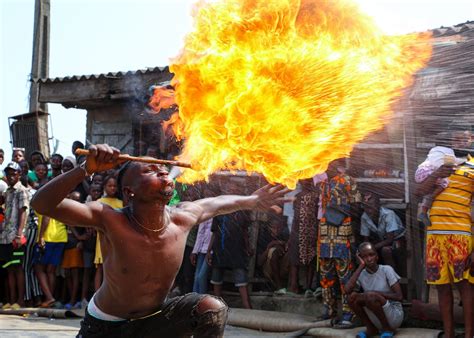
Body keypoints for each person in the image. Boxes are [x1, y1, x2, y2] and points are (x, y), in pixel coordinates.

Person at [31, 144, 290, 337]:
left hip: (155, 321)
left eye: (164, 170)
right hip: (105, 327)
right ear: (129, 191)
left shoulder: (182, 217)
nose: (164, 173)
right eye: (150, 170)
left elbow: (218, 203)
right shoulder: (109, 218)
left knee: (210, 307)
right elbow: (41, 204)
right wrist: (85, 169)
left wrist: (251, 201)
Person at [416, 127, 474, 338]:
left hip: (461, 235)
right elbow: (418, 191)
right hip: (434, 236)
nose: (459, 140)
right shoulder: (437, 161)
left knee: (465, 285)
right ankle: (448, 334)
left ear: (472, 139)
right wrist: (437, 174)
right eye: (456, 137)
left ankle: (469, 334)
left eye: (464, 136)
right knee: (441, 286)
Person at [318, 159, 360, 328]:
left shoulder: (348, 180)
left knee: (345, 275)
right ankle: (329, 311)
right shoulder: (324, 183)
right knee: (326, 275)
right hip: (325, 234)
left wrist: (343, 216)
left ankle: (349, 313)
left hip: (343, 233)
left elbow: (357, 207)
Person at [345, 242, 404, 338]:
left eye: (371, 255)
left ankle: (387, 329)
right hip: (375, 318)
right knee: (351, 298)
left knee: (370, 296)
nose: (369, 259)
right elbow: (347, 291)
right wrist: (361, 266)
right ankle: (371, 329)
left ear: (377, 256)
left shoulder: (386, 270)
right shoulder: (361, 274)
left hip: (393, 316)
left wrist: (375, 294)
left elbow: (399, 296)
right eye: (364, 257)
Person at [207, 210, 253, 309]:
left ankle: (247, 307)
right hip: (220, 248)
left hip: (237, 249)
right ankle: (217, 307)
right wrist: (209, 250)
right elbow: (214, 233)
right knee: (216, 279)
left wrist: (248, 246)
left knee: (241, 279)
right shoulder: (219, 211)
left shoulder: (242, 212)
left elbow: (245, 232)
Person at [0, 162, 29, 309]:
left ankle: (20, 300)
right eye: (8, 173)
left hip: (16, 236)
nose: (11, 176)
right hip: (5, 235)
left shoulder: (21, 191)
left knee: (17, 268)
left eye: (13, 173)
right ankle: (11, 301)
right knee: (9, 268)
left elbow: (23, 212)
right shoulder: (7, 192)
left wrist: (19, 234)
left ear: (19, 174)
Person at [285, 178, 318, 297]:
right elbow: (295, 217)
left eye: (308, 180)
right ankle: (294, 286)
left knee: (311, 260)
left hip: (311, 232)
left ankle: (308, 288)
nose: (306, 183)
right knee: (294, 260)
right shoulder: (297, 197)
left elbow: (317, 216)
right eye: (304, 181)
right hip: (297, 232)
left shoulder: (316, 196)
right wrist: (291, 236)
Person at [360, 193, 405, 270]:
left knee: (385, 250)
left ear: (378, 205)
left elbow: (390, 239)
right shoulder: (364, 217)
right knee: (365, 253)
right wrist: (365, 249)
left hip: (399, 239)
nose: (368, 210)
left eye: (371, 206)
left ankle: (392, 276)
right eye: (366, 206)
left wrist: (372, 247)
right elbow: (366, 240)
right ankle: (374, 276)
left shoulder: (388, 214)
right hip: (383, 240)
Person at [34, 210, 67, 307]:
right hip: (60, 237)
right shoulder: (61, 201)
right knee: (50, 271)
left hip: (48, 237)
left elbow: (46, 217)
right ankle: (49, 300)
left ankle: (49, 297)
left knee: (38, 268)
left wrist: (41, 236)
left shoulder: (46, 200)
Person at [95, 176, 123, 290]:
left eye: (114, 186)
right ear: (104, 187)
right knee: (100, 268)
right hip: (102, 237)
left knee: (114, 267)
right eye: (109, 186)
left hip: (117, 239)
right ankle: (96, 296)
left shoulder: (121, 203)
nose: (112, 188)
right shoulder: (99, 202)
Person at [62, 191, 85, 310]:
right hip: (66, 245)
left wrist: (80, 238)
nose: (75, 201)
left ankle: (73, 300)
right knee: (67, 274)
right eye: (73, 199)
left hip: (75, 245)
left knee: (75, 274)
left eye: (77, 199)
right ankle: (71, 298)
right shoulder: (66, 211)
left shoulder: (81, 213)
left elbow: (84, 230)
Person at [257, 216, 290, 292]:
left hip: (282, 268)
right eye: (274, 227)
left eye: (279, 228)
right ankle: (279, 286)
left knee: (290, 253)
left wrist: (282, 245)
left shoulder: (283, 236)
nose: (277, 230)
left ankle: (291, 285)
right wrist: (270, 246)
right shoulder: (263, 237)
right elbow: (259, 262)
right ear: (269, 227)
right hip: (268, 270)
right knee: (273, 251)